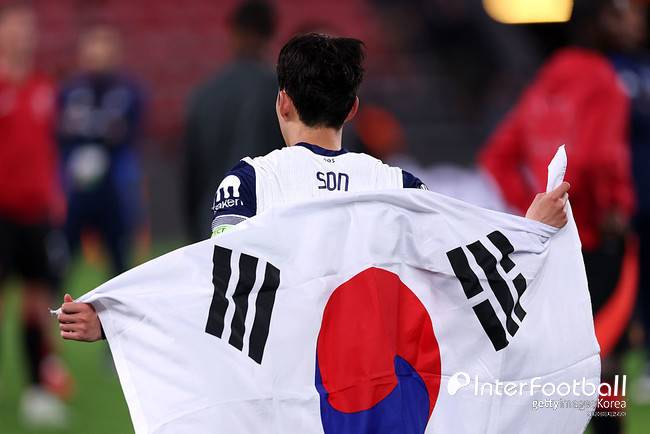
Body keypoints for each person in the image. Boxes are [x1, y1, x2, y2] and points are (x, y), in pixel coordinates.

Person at [56, 34, 569, 361]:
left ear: (282, 102)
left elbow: (215, 285)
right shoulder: (400, 187)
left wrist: (114, 319)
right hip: (373, 391)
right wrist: (534, 229)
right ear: (353, 109)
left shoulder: (250, 183)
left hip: (284, 386)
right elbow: (466, 271)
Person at [479, 1, 636, 432]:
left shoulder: (545, 80)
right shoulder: (604, 79)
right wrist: (608, 207)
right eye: (620, 13)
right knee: (607, 350)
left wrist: (535, 212)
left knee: (554, 354)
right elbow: (595, 159)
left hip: (548, 240)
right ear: (597, 23)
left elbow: (496, 157)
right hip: (595, 236)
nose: (633, 23)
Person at [0, 3, 70, 427]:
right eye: (14, 29)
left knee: (35, 304)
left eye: (28, 29)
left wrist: (54, 196)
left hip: (36, 216)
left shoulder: (45, 87)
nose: (23, 36)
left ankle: (36, 391)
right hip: (1, 214)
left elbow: (47, 150)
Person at [183, 0, 283, 242]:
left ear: (234, 33)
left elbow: (191, 174)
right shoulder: (283, 94)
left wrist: (194, 229)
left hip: (213, 221)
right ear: (269, 35)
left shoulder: (205, 93)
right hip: (267, 223)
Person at [58, 25, 145, 277]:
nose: (98, 53)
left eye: (104, 46)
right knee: (61, 259)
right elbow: (62, 132)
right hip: (76, 189)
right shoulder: (70, 91)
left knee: (119, 262)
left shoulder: (129, 91)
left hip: (113, 188)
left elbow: (128, 132)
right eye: (93, 46)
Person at [605, 0, 650, 403]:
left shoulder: (641, 66)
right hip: (619, 203)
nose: (632, 25)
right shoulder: (603, 69)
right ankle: (611, 381)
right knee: (618, 290)